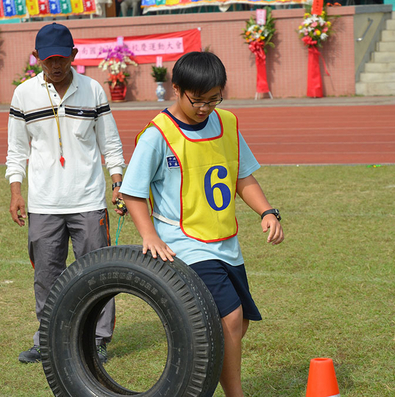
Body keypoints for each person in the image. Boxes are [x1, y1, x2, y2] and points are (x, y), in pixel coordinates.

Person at [119, 51, 284, 396]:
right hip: (183, 243)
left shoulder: (227, 123)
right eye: (198, 101)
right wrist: (149, 235)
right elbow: (131, 192)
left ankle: (196, 384)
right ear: (176, 89)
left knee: (240, 325)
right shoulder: (157, 134)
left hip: (225, 241)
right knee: (231, 319)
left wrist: (268, 212)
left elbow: (242, 176)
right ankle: (235, 393)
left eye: (214, 99)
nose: (206, 108)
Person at [6, 22, 126, 364]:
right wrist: (16, 191)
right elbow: (17, 150)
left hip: (88, 200)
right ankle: (47, 338)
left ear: (74, 55)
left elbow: (111, 144)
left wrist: (117, 183)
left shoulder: (93, 91)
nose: (55, 66)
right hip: (43, 202)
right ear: (36, 58)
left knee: (98, 273)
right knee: (46, 276)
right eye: (48, 60)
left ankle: (99, 339)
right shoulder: (23, 94)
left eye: (61, 58)